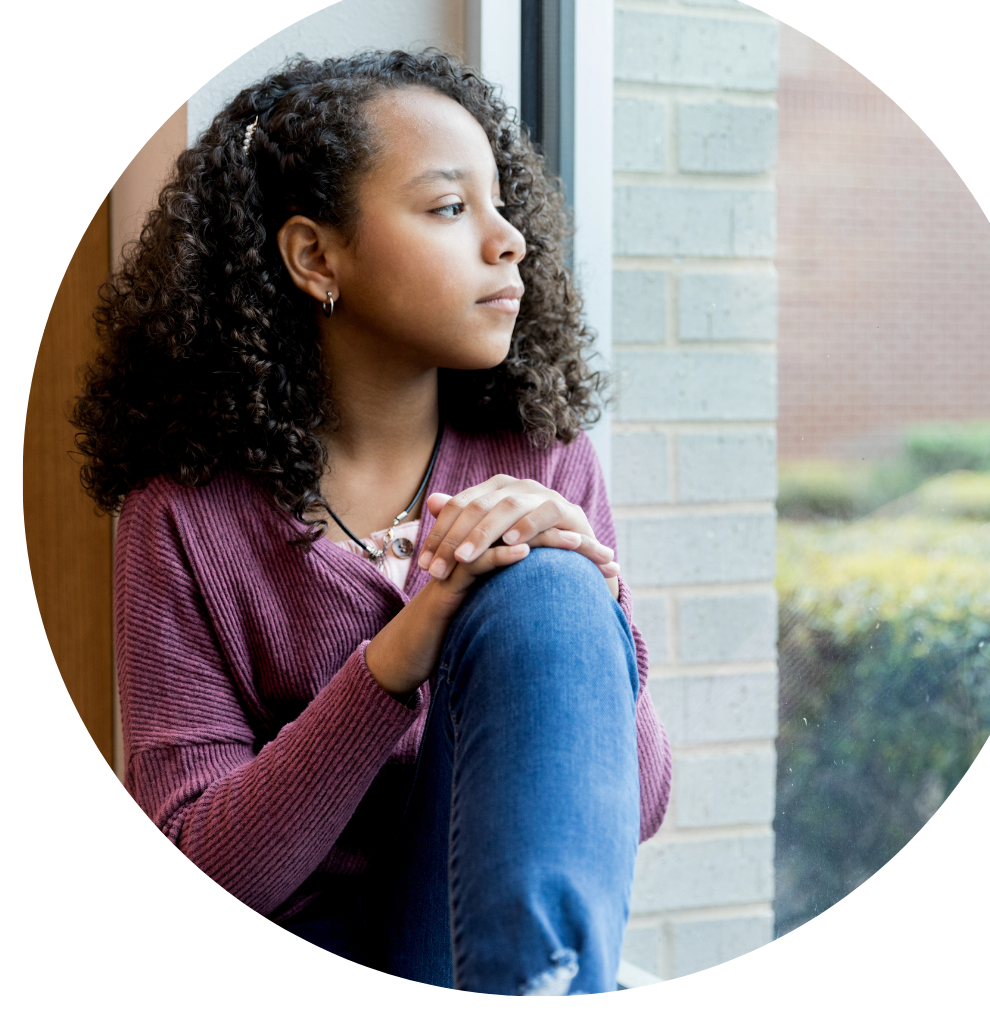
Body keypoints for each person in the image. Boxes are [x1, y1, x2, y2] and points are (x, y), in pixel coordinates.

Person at [74, 49, 671, 995]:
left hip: (484, 942)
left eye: (501, 203)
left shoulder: (541, 457)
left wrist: (598, 602)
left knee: (552, 581)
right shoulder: (181, 514)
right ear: (316, 256)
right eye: (449, 208)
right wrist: (401, 652)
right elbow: (199, 858)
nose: (507, 239)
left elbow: (632, 807)